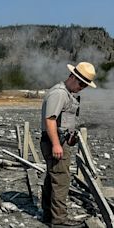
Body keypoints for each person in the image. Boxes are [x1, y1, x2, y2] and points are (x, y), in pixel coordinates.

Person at [40, 62, 96, 227]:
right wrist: (57, 144)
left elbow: (62, 121)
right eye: (81, 83)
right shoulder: (59, 93)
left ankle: (48, 215)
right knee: (61, 180)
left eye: (85, 85)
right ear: (72, 77)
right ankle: (59, 220)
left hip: (59, 140)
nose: (82, 87)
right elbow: (50, 120)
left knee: (53, 178)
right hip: (54, 141)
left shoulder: (67, 94)